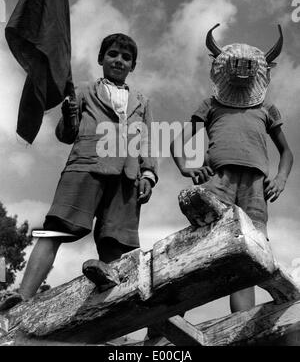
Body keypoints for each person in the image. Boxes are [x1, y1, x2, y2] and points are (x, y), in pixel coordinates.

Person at [0, 33, 158, 310]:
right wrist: (70, 115)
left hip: (126, 177)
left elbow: (146, 140)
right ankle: (22, 297)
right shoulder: (84, 91)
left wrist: (148, 174)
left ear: (133, 65)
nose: (119, 60)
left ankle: (109, 314)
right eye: (113, 54)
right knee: (56, 229)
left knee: (116, 245)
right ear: (101, 59)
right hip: (86, 166)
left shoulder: (142, 102)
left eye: (126, 57)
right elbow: (66, 134)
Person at [170, 24, 293, 313]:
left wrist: (281, 178)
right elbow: (178, 143)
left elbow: (287, 152)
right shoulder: (210, 105)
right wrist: (189, 169)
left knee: (247, 255)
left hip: (255, 190)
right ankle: (170, 316)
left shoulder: (267, 109)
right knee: (201, 246)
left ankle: (240, 326)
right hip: (217, 182)